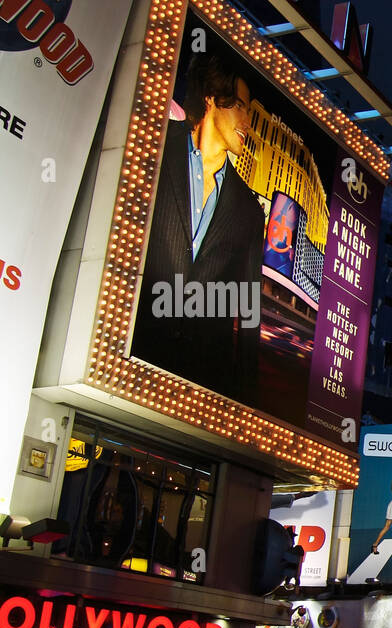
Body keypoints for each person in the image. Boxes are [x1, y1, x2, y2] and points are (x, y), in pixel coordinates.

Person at [132, 52, 264, 405]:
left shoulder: (250, 211)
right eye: (238, 105)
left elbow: (248, 310)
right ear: (210, 99)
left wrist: (243, 396)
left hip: (203, 380)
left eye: (248, 110)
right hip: (133, 351)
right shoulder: (155, 144)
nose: (246, 120)